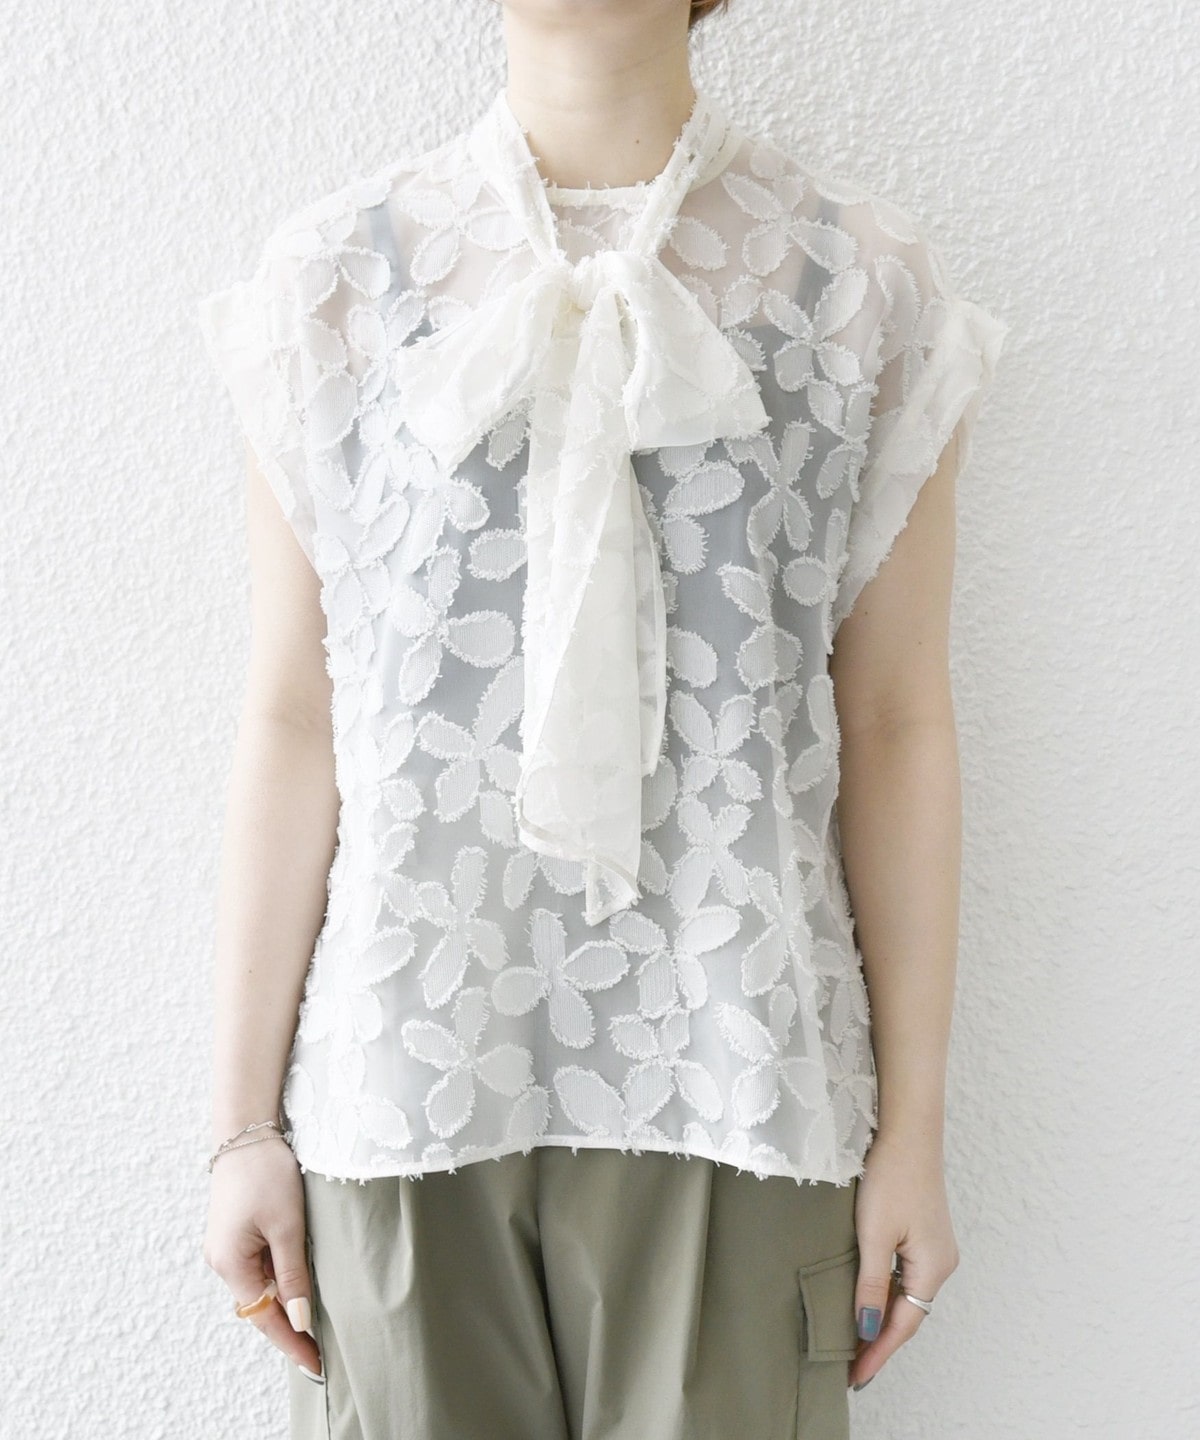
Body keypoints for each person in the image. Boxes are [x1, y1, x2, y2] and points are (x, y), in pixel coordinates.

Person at [196, 2, 1008, 1436]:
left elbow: (893, 725)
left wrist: (915, 1135)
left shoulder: (859, 286)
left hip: (744, 1072)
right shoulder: (335, 283)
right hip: (407, 1080)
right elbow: (292, 720)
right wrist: (240, 1128)